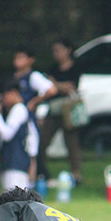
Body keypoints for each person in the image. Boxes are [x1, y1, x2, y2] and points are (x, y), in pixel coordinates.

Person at [37, 38, 84, 184]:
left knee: (72, 142)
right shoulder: (52, 68)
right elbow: (47, 87)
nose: (56, 54)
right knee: (43, 140)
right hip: (53, 110)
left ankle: (76, 174)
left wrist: (55, 84)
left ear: (68, 50)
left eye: (58, 50)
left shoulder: (75, 68)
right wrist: (59, 86)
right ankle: (42, 171)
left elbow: (71, 87)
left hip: (68, 110)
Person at [0, 79, 38, 191]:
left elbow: (7, 134)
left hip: (16, 162)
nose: (2, 100)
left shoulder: (19, 109)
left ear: (13, 93)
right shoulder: (16, 110)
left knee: (14, 200)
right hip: (12, 162)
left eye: (4, 96)